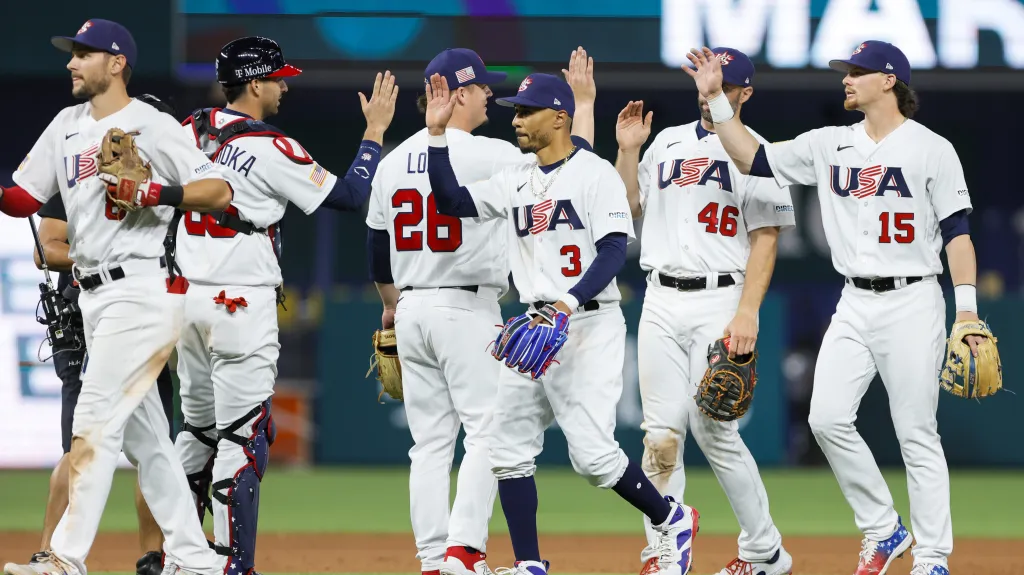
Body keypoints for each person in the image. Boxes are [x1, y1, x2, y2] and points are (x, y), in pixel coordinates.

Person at [684, 40, 981, 575]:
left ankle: (933, 556)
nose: (845, 79)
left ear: (890, 81)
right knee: (825, 419)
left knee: (916, 431)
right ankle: (884, 527)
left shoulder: (932, 148)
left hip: (914, 298)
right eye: (845, 72)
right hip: (854, 300)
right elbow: (753, 156)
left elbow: (958, 233)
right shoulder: (827, 144)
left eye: (857, 72)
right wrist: (716, 100)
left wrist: (967, 311)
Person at [424, 72, 697, 575]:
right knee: (506, 450)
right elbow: (452, 202)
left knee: (594, 459)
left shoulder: (595, 174)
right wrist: (437, 137)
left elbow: (616, 249)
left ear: (560, 117)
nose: (517, 119)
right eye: (515, 110)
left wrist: (567, 305)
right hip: (532, 325)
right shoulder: (515, 178)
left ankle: (672, 519)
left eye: (527, 111)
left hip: (588, 323)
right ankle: (529, 563)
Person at [1, 18, 232, 575]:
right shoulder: (65, 125)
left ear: (116, 62)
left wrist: (158, 191)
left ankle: (65, 558)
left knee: (95, 425)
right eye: (71, 55)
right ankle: (195, 558)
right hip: (93, 295)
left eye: (83, 54)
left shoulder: (150, 124)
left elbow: (219, 191)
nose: (71, 63)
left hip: (141, 289)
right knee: (148, 442)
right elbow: (19, 197)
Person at [171, 36, 398, 575]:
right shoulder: (270, 146)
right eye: (277, 78)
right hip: (238, 301)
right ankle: (232, 566)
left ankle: (176, 555)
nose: (284, 86)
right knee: (244, 438)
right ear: (254, 84)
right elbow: (348, 197)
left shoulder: (185, 131)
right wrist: (373, 134)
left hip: (185, 301)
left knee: (196, 435)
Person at [366, 47, 597, 575]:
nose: (493, 96)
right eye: (484, 88)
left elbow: (377, 248)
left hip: (411, 307)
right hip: (466, 307)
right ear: (460, 93)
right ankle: (462, 552)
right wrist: (582, 102)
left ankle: (431, 558)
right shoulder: (491, 155)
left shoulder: (393, 159)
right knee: (490, 431)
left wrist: (388, 307)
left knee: (427, 444)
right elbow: (570, 161)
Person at [614, 47, 795, 575]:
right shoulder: (666, 142)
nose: (706, 86)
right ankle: (666, 550)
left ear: (744, 92)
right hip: (660, 297)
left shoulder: (757, 153)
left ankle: (764, 552)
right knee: (659, 437)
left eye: (719, 79)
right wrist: (628, 152)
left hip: (721, 295)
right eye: (702, 76)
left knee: (716, 431)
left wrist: (748, 312)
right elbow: (627, 210)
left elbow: (765, 239)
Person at [28, 185, 177, 575]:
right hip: (84, 322)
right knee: (78, 445)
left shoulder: (154, 185)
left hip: (143, 319)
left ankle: (153, 558)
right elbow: (45, 250)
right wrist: (100, 260)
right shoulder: (73, 181)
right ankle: (50, 554)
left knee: (157, 447)